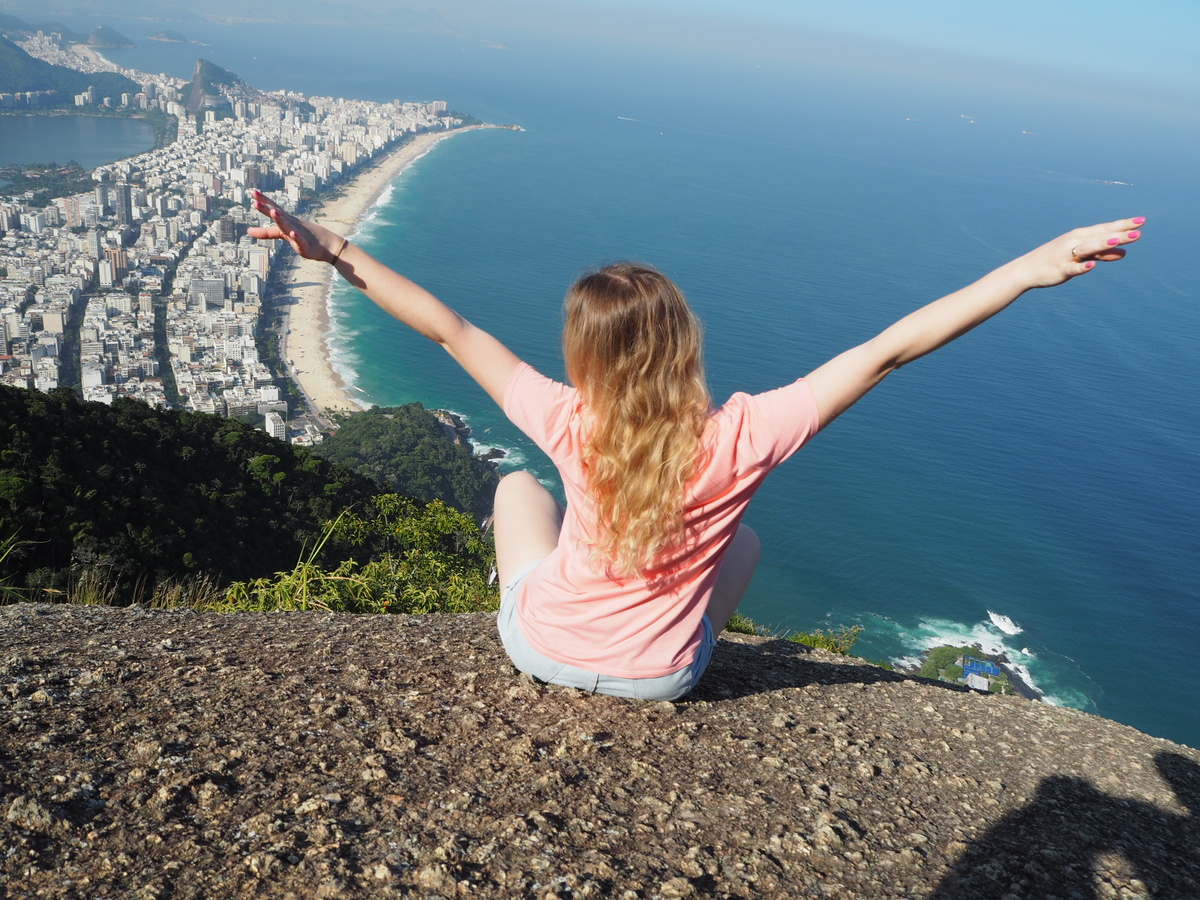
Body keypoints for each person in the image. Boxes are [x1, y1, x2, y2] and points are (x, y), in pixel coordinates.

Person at [249, 190, 1143, 701]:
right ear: (684, 344)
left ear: (582, 353)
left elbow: (446, 328)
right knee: (745, 542)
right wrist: (1030, 267)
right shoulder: (746, 434)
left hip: (535, 646)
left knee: (519, 490)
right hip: (662, 680)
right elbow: (890, 349)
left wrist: (328, 248)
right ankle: (661, 628)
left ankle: (555, 595)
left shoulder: (565, 417)